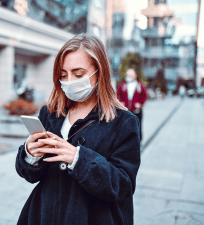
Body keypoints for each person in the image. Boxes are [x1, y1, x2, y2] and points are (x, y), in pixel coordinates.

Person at [15, 34, 141, 225]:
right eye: (63, 75)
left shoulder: (123, 122)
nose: (70, 81)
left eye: (79, 74)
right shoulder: (50, 113)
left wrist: (78, 159)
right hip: (44, 215)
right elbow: (31, 176)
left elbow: (123, 185)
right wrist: (30, 155)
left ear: (99, 72)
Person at [117, 69, 147, 141]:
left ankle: (139, 142)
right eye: (128, 75)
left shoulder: (140, 85)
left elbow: (144, 96)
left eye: (131, 75)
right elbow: (118, 95)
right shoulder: (122, 85)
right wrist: (120, 102)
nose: (129, 76)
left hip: (137, 111)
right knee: (125, 126)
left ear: (135, 76)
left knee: (137, 126)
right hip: (125, 110)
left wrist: (140, 104)